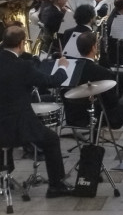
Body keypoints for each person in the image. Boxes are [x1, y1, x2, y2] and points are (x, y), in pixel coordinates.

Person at [0, 26, 73, 197]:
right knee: (52, 140)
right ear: (22, 43)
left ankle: (5, 174)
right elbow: (51, 81)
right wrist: (63, 67)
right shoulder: (23, 66)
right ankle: (56, 186)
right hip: (18, 125)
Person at [64, 32, 123, 154]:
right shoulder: (102, 72)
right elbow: (112, 102)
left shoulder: (68, 69)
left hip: (73, 117)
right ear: (94, 47)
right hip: (99, 117)